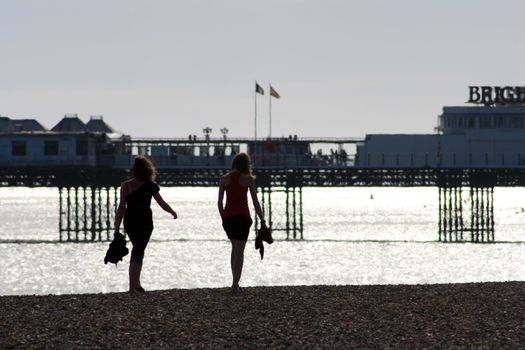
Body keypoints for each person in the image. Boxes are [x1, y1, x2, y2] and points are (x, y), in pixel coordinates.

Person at [114, 155, 177, 293]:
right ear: (147, 170)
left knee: (138, 250)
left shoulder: (125, 186)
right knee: (138, 250)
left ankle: (136, 284)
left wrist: (117, 227)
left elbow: (121, 208)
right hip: (145, 222)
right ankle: (132, 287)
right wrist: (172, 212)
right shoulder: (150, 185)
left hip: (130, 222)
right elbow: (161, 203)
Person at [218, 153, 267, 294]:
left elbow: (219, 203)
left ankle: (234, 284)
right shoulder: (248, 179)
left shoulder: (224, 179)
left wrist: (223, 218)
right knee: (240, 251)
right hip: (243, 218)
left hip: (229, 218)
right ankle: (234, 285)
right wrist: (262, 220)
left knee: (234, 250)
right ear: (246, 164)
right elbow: (255, 202)